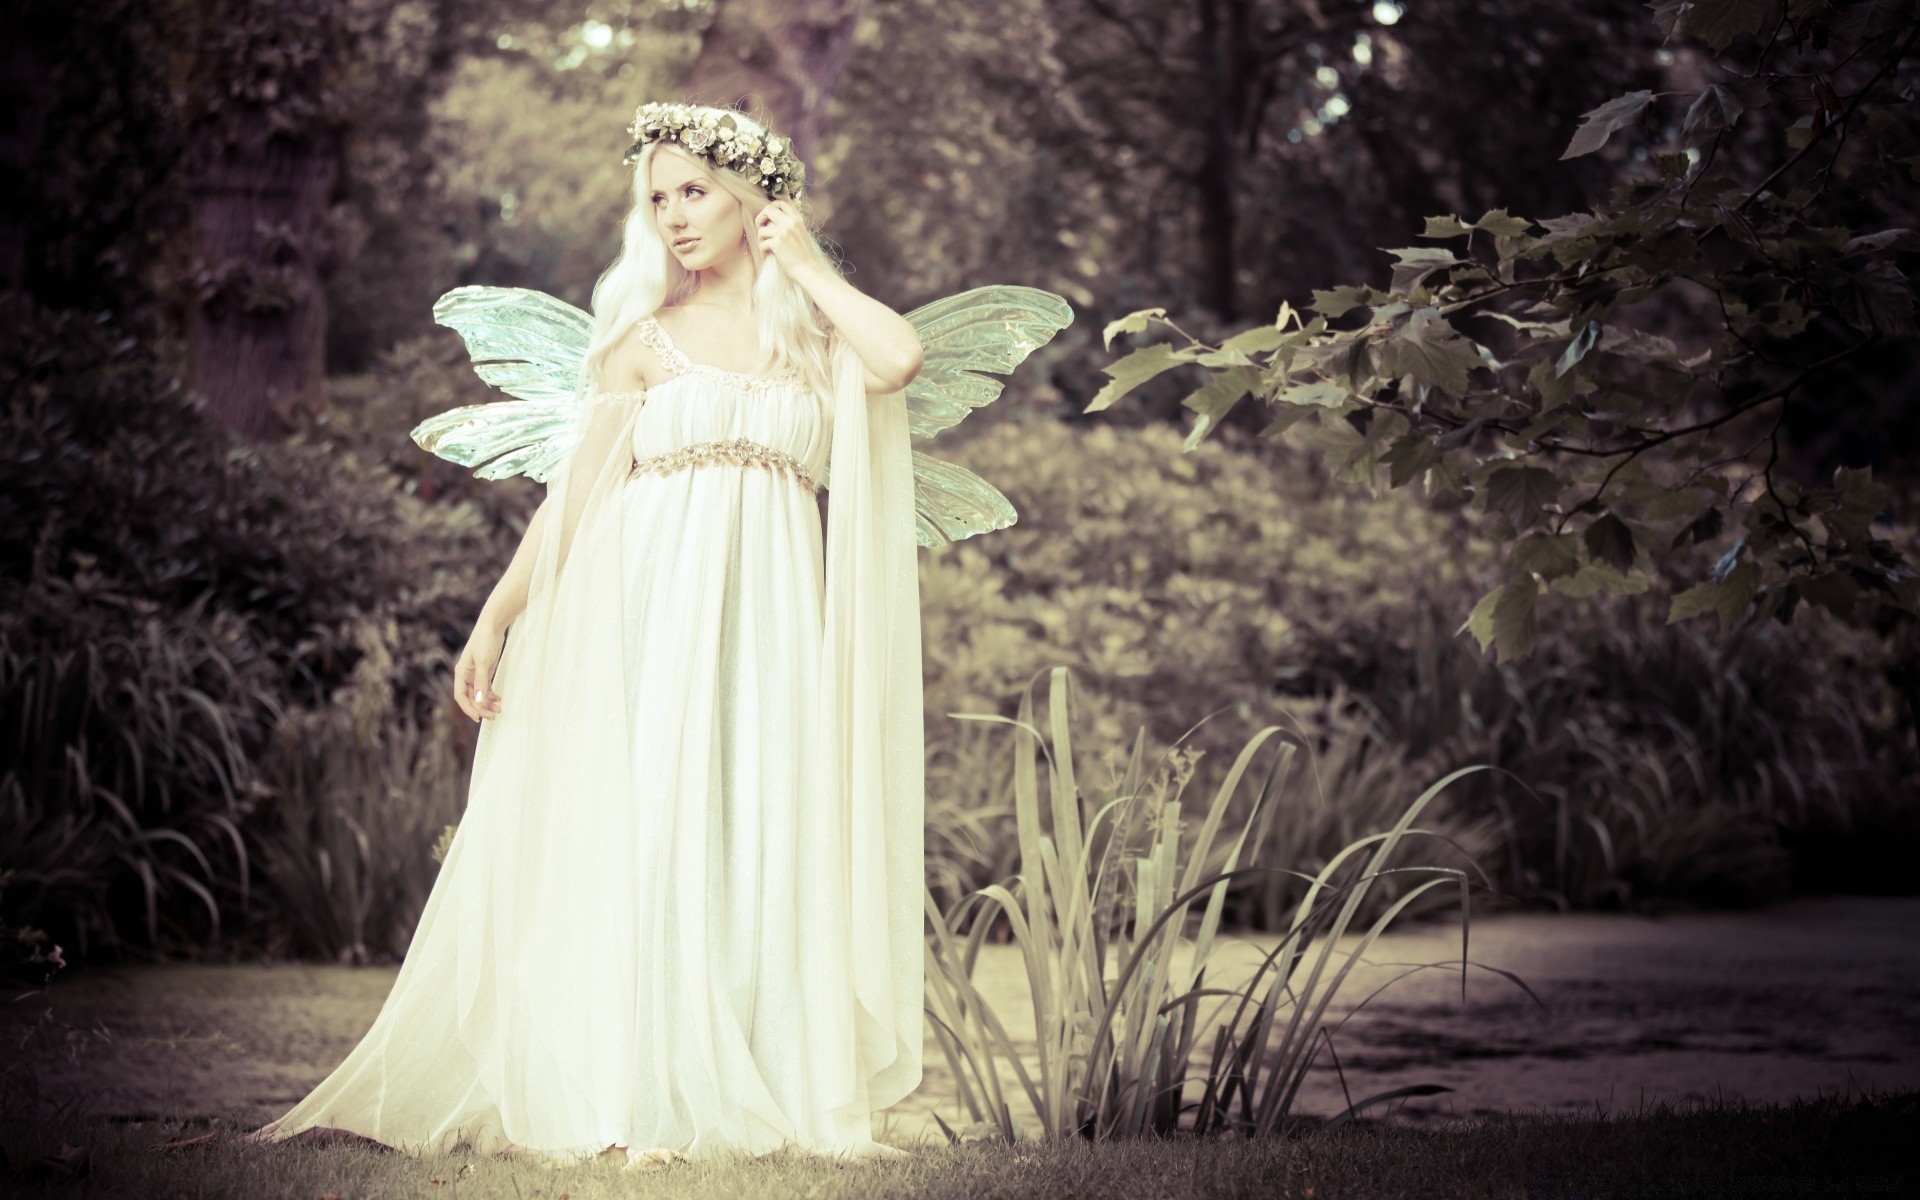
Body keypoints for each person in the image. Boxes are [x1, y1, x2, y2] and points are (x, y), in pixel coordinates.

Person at [241, 101, 933, 1169]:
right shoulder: (639, 343)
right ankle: (631, 1093)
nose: (673, 217)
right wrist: (498, 615)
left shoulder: (814, 338)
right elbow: (577, 497)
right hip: (649, 602)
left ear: (755, 197)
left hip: (772, 623)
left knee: (755, 824)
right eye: (656, 200)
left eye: (694, 192)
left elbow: (898, 358)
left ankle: (756, 1076)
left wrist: (808, 265)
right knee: (650, 828)